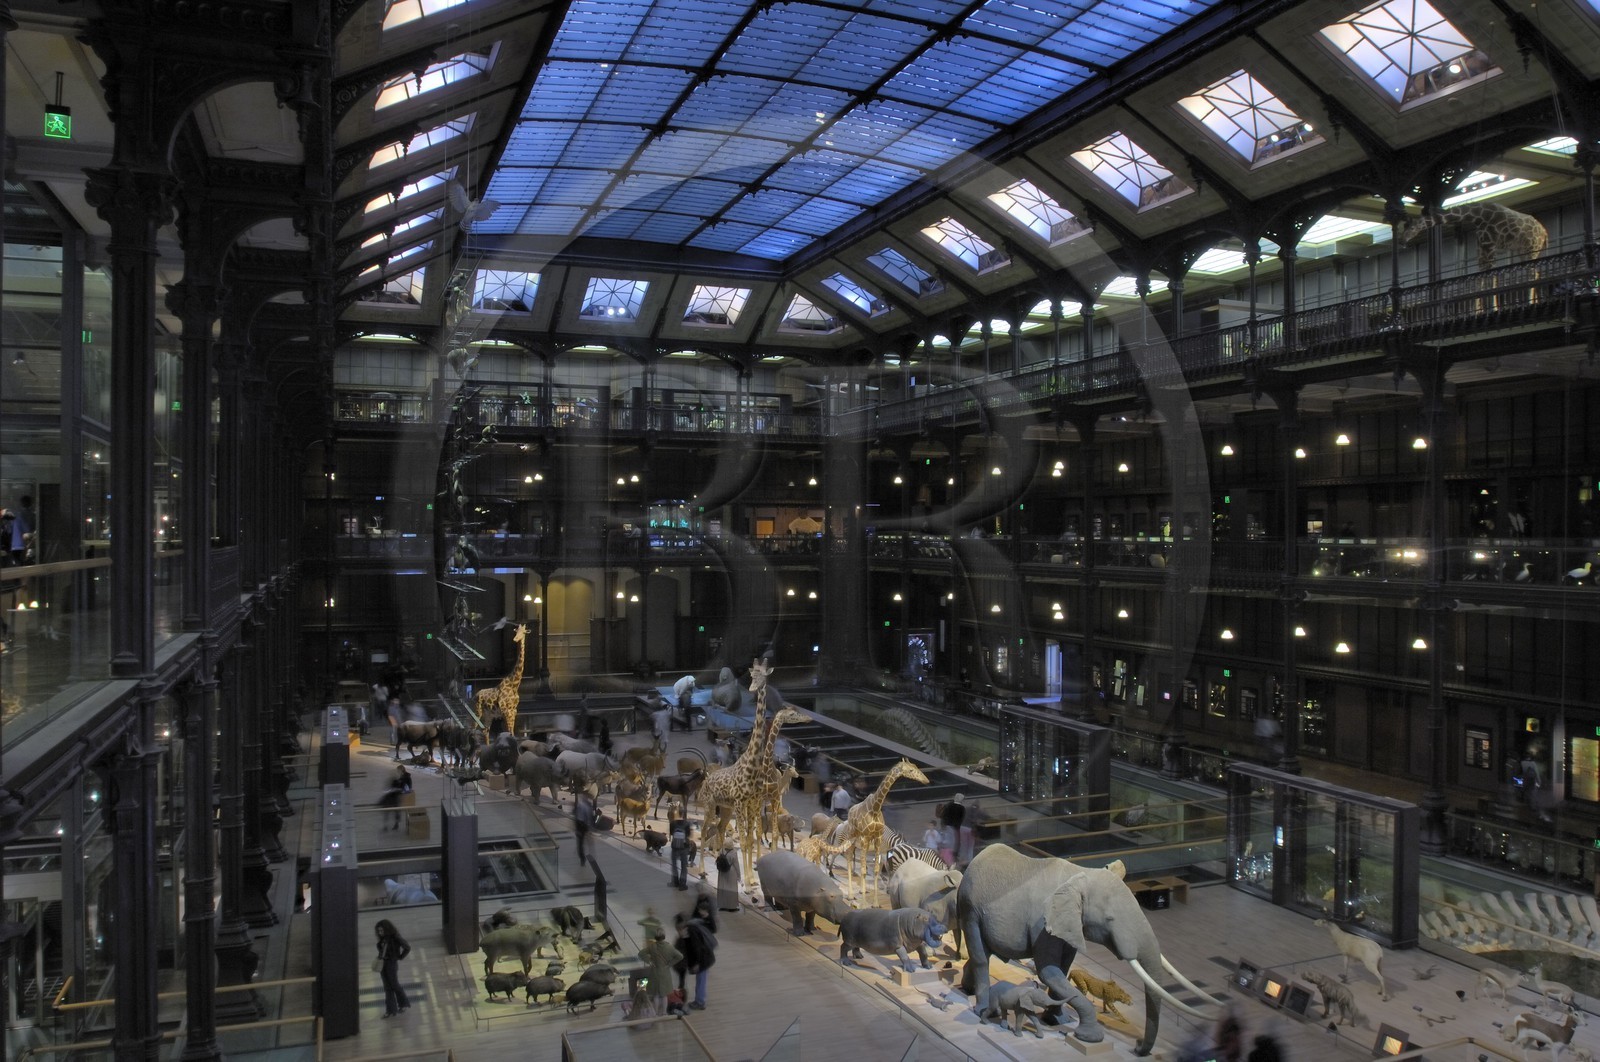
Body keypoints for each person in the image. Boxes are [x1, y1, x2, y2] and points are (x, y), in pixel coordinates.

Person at [674, 907, 718, 1010]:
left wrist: (696, 963)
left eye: (679, 929)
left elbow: (696, 948)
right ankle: (699, 1000)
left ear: (682, 926)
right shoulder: (689, 931)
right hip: (703, 959)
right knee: (701, 980)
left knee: (701, 981)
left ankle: (700, 1002)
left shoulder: (691, 931)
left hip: (703, 960)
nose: (678, 932)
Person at [637, 928, 681, 1017]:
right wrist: (670, 964)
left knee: (656, 995)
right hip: (665, 973)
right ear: (664, 936)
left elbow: (641, 954)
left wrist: (649, 961)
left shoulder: (652, 947)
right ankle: (664, 1013)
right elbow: (680, 956)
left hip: (655, 972)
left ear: (656, 937)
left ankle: (656, 1013)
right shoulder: (669, 947)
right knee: (664, 995)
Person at [374, 919, 411, 1017]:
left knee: (394, 984)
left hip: (391, 963)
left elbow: (407, 947)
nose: (380, 933)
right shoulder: (383, 939)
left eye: (382, 930)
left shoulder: (395, 937)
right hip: (383, 964)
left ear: (387, 929)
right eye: (379, 931)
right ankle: (390, 1010)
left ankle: (403, 1004)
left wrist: (400, 957)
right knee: (387, 987)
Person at [378, 764, 411, 829]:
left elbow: (407, 788)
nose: (398, 772)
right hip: (393, 795)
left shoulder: (406, 778)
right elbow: (390, 787)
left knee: (395, 808)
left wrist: (398, 790)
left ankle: (395, 823)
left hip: (398, 795)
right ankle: (387, 824)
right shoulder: (397, 779)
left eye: (398, 771)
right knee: (388, 807)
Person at [668, 810, 693, 889]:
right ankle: (682, 885)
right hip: (684, 848)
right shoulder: (687, 824)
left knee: (674, 865)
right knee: (683, 866)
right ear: (684, 814)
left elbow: (671, 833)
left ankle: (675, 882)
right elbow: (688, 835)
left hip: (675, 847)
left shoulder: (672, 823)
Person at [573, 784, 597, 864]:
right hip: (582, 826)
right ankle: (583, 858)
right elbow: (579, 818)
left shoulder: (588, 805)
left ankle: (589, 856)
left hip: (585, 826)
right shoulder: (582, 805)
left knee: (587, 842)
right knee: (582, 843)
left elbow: (589, 816)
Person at [715, 842, 741, 912]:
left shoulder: (721, 850)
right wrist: (739, 875)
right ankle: (731, 906)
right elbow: (736, 864)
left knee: (722, 888)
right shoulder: (734, 852)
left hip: (722, 871)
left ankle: (722, 905)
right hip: (731, 871)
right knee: (731, 889)